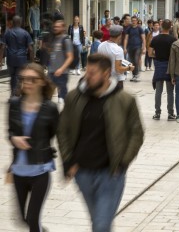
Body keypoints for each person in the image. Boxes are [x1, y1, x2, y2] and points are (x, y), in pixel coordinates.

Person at [57, 53, 144, 232]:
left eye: (93, 73)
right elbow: (62, 130)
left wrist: (123, 161)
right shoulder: (74, 97)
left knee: (101, 225)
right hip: (83, 174)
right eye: (87, 72)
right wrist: (68, 160)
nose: (88, 76)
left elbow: (137, 133)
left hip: (111, 174)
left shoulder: (125, 100)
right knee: (98, 221)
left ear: (106, 73)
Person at [8, 62, 59, 232]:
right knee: (22, 218)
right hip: (18, 171)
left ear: (42, 82)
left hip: (40, 169)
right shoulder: (14, 104)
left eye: (32, 79)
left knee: (32, 217)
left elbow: (54, 134)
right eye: (23, 79)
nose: (27, 83)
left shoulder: (50, 108)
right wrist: (15, 139)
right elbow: (10, 132)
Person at [148, 19, 176, 121]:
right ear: (170, 27)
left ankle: (157, 113)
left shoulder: (155, 39)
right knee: (170, 92)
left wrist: (157, 55)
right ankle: (170, 113)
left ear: (161, 26)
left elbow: (149, 53)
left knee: (158, 91)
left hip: (158, 65)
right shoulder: (173, 40)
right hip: (169, 66)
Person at [0, 15, 33, 98]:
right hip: (21, 59)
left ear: (13, 23)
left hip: (11, 59)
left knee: (12, 76)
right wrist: (32, 62)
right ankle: (17, 94)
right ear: (20, 23)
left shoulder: (7, 33)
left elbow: (2, 47)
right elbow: (30, 49)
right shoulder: (25, 33)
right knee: (19, 77)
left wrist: (0, 60)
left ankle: (12, 94)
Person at [98, 25, 135, 89]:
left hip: (103, 78)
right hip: (116, 80)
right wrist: (129, 68)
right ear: (120, 35)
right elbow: (118, 69)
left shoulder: (101, 45)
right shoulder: (118, 49)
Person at [47, 20, 74, 104]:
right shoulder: (54, 39)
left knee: (62, 98)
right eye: (55, 27)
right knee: (47, 93)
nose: (55, 28)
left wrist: (61, 69)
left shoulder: (66, 40)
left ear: (63, 28)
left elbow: (70, 57)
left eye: (58, 27)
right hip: (51, 70)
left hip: (62, 72)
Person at [124, 16, 146, 82]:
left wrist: (144, 47)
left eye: (135, 20)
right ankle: (134, 75)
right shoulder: (129, 29)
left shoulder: (139, 28)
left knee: (136, 60)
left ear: (137, 21)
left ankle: (137, 74)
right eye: (132, 20)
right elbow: (126, 38)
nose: (133, 22)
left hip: (138, 47)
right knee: (132, 61)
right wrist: (125, 48)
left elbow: (143, 38)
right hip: (130, 47)